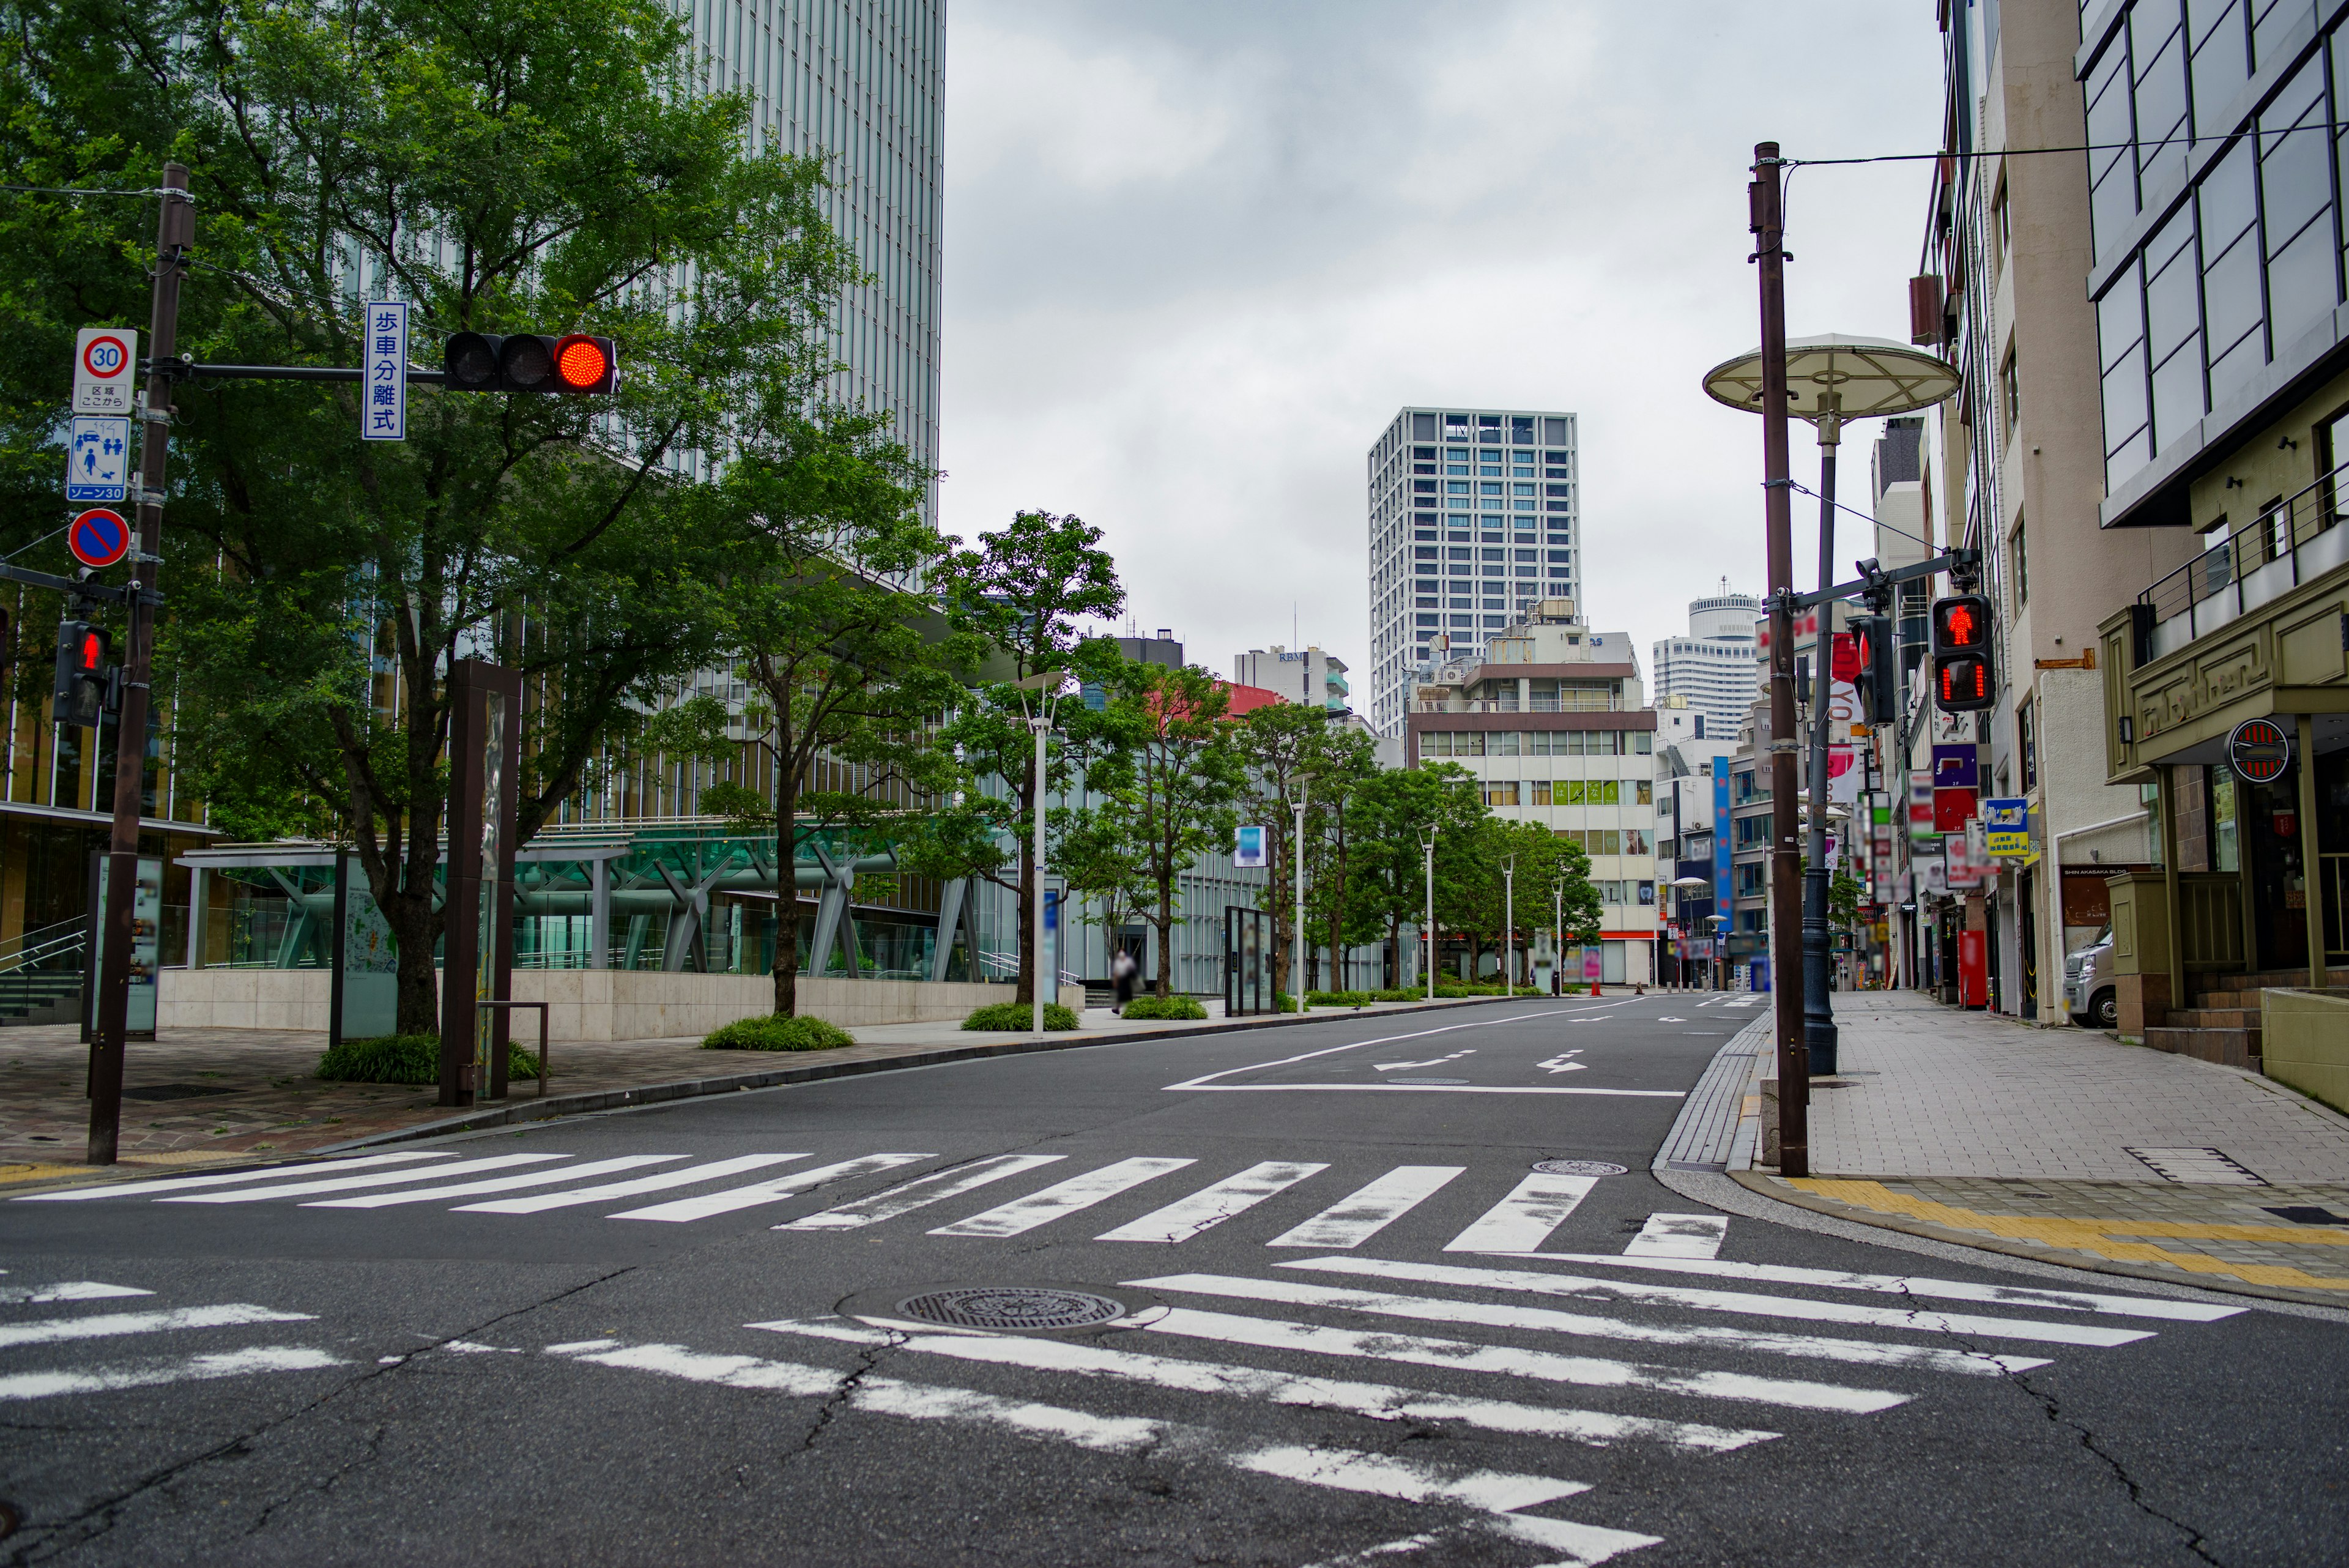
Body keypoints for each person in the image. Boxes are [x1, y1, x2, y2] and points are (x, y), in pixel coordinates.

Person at [1110, 946, 1139, 1014]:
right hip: (1121, 980)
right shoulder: (1117, 962)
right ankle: (1117, 1008)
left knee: (1128, 995)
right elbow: (1116, 973)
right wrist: (1115, 981)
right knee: (1120, 994)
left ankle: (1131, 1008)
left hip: (1128, 980)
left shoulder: (1129, 961)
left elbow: (1133, 970)